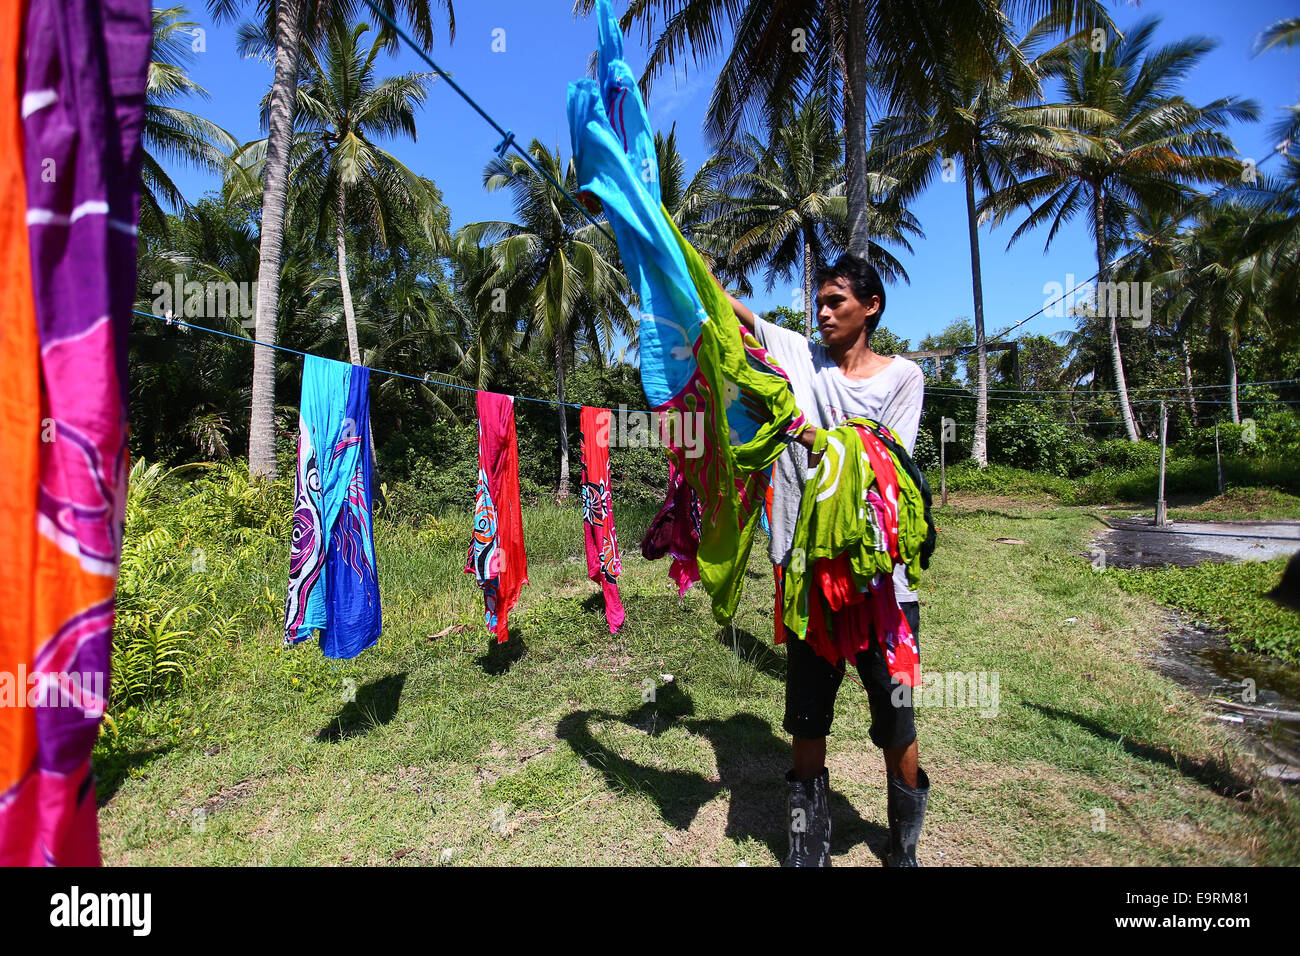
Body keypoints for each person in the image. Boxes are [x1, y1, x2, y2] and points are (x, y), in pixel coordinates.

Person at [727, 254, 929, 867]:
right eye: (818, 301)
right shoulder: (801, 358)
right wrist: (667, 240)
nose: (823, 312)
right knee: (806, 717)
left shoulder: (903, 379)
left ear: (870, 307)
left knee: (895, 718)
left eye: (836, 301)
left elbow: (885, 462)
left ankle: (903, 847)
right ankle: (803, 848)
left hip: (879, 585)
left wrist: (811, 435)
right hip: (808, 576)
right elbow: (732, 310)